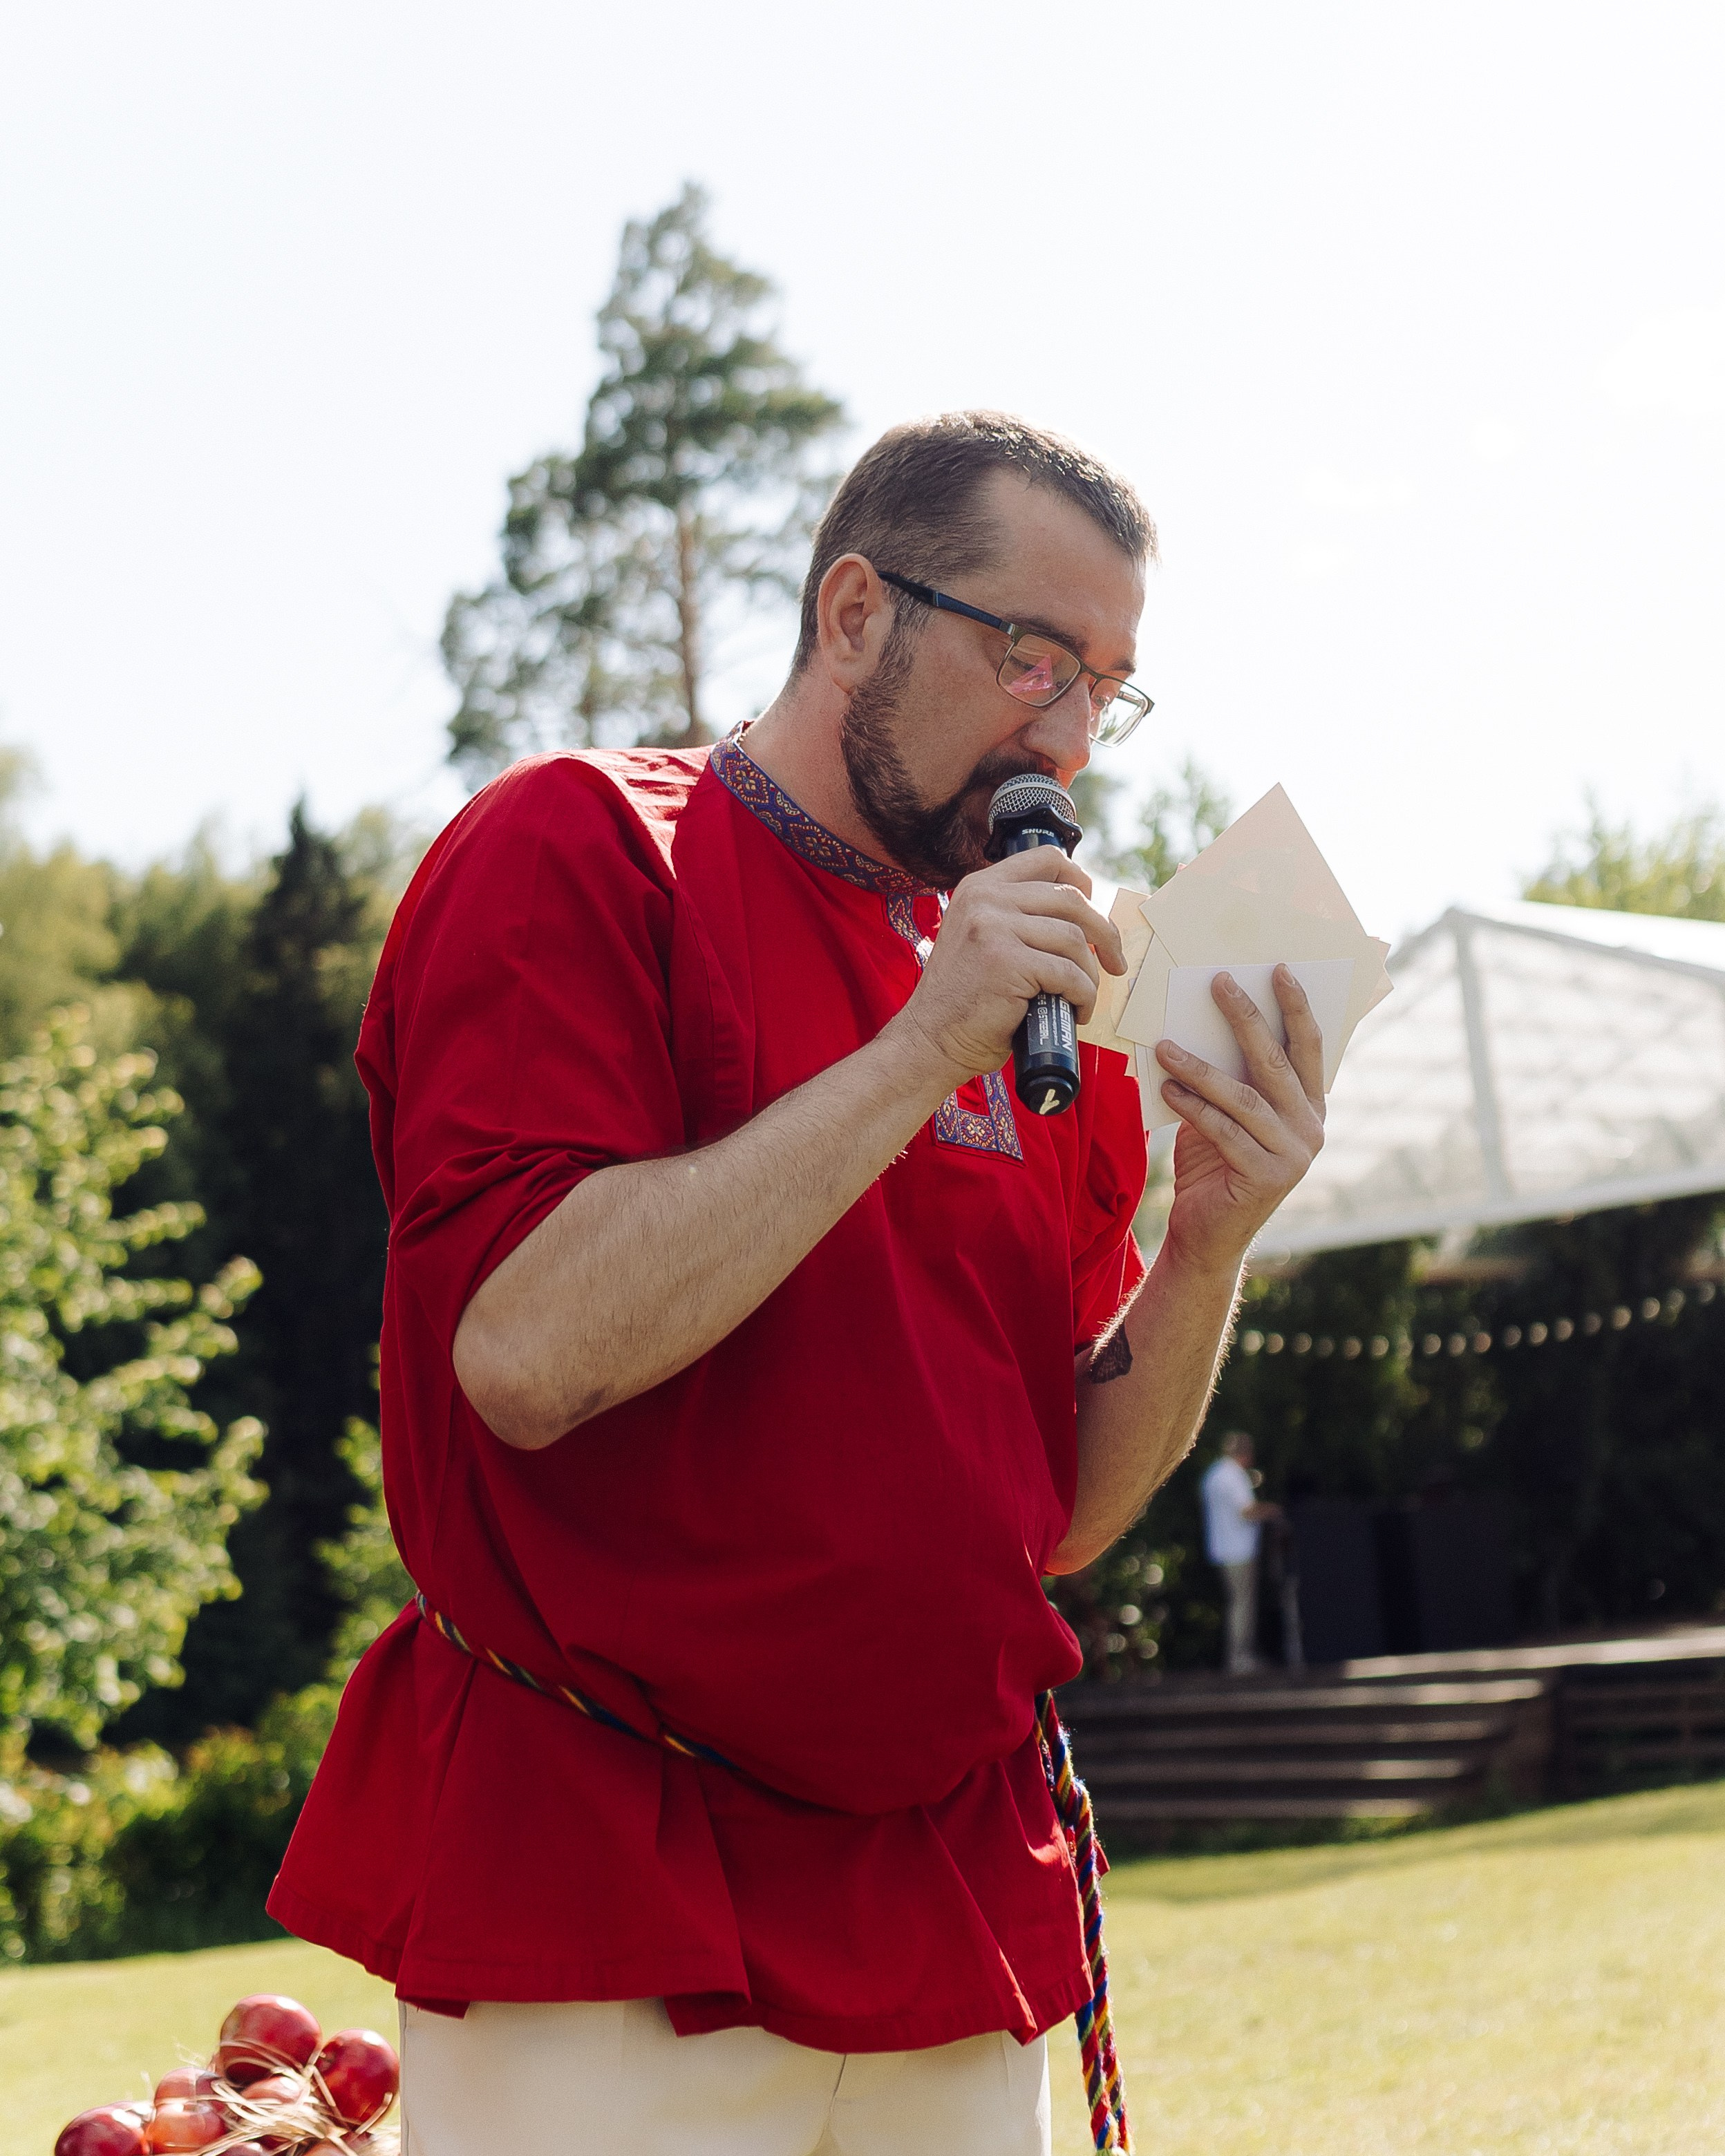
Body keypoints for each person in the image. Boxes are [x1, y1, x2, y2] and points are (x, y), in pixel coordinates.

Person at [269, 412, 1326, 2156]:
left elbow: (1048, 1515)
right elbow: (525, 1350)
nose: (1062, 733)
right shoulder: (580, 848)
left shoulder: (1050, 1002)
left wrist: (1204, 1242)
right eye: (1025, 655)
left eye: (1104, 685)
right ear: (852, 612)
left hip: (947, 1897)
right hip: (606, 1899)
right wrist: (921, 1044)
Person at [1202, 1432, 1283, 1674]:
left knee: (1235, 1603)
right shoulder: (1234, 1476)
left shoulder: (1213, 1475)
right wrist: (1272, 1511)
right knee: (1242, 1605)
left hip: (1222, 1550)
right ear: (1245, 1454)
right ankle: (1240, 1659)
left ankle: (1237, 1656)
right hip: (1239, 1550)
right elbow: (1246, 1511)